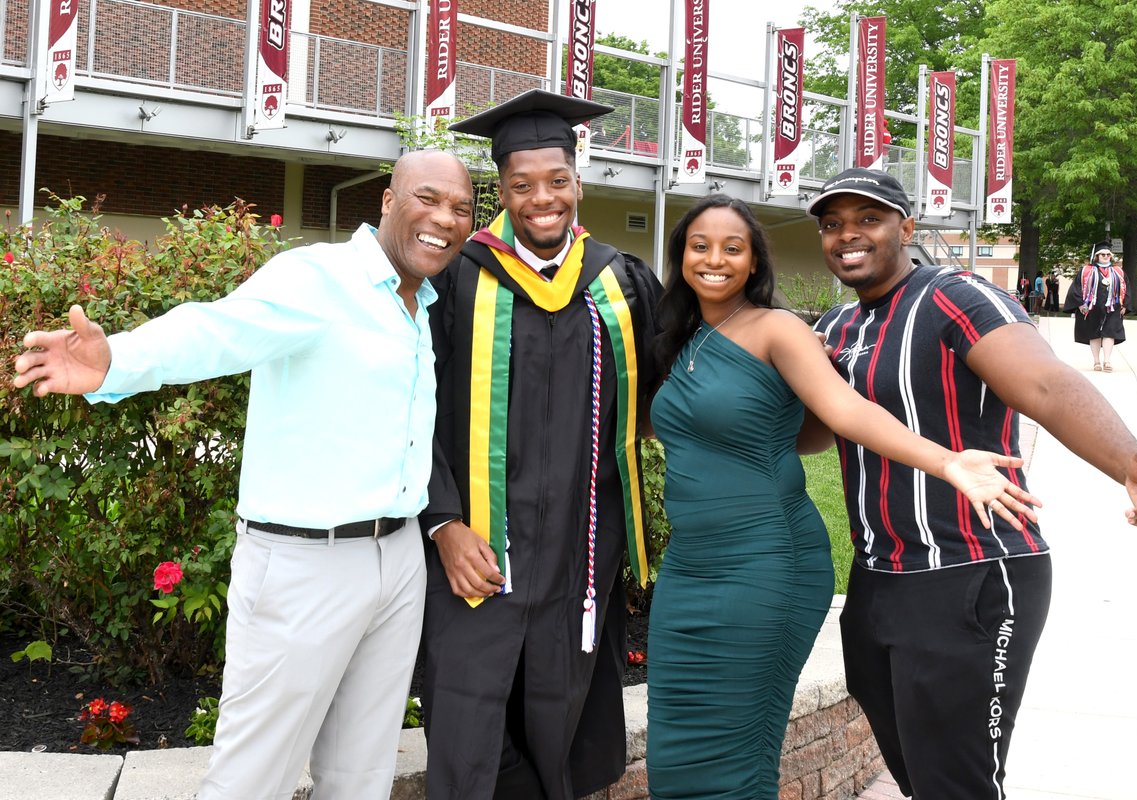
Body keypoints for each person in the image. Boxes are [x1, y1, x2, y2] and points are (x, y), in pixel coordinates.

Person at [12, 150, 476, 800]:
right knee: (251, 781)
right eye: (429, 198)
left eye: (461, 208)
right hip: (305, 565)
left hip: (397, 559)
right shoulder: (319, 277)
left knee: (362, 775)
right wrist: (117, 360)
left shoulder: (419, 304)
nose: (445, 219)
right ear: (388, 201)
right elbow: (216, 329)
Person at [645, 194, 1039, 800]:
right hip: (689, 567)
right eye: (700, 246)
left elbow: (846, 411)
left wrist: (945, 461)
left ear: (754, 262)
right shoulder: (682, 338)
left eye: (732, 248)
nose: (714, 260)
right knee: (674, 751)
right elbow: (747, 430)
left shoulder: (778, 329)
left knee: (731, 753)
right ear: (681, 256)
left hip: (761, 564)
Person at [807, 168, 1137, 800]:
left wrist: (1128, 463)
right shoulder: (839, 326)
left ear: (907, 228)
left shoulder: (953, 297)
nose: (848, 235)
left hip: (971, 570)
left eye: (868, 219)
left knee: (957, 784)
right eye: (832, 224)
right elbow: (817, 433)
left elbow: (1043, 383)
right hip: (876, 577)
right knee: (919, 777)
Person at [417, 89, 662, 800]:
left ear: (578, 182)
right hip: (478, 545)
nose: (542, 199)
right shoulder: (456, 280)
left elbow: (670, 391)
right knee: (468, 721)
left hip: (580, 547)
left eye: (557, 181)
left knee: (564, 717)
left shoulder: (619, 282)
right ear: (500, 191)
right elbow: (409, 409)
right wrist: (442, 523)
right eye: (521, 185)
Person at [1063, 242, 1127, 372]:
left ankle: (1107, 361)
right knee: (1094, 333)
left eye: (1108, 254)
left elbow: (1126, 288)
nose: (1106, 256)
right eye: (1103, 254)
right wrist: (1080, 304)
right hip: (1092, 308)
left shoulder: (1118, 271)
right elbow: (1076, 288)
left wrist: (1125, 305)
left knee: (1110, 332)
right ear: (1096, 256)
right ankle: (1096, 361)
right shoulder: (1086, 271)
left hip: (1113, 307)